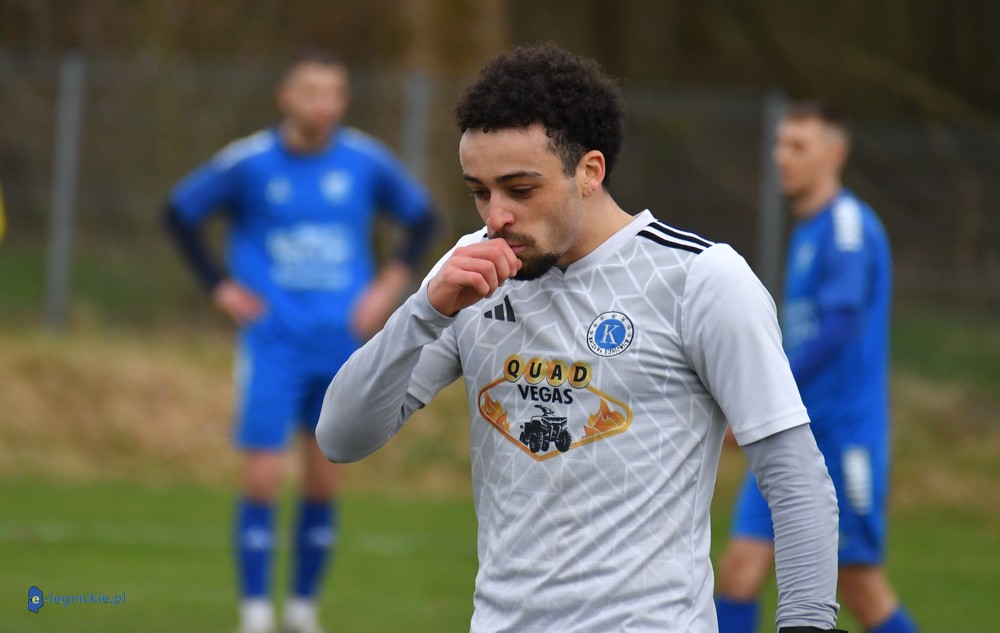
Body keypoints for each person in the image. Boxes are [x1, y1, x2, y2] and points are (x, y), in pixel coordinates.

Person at [316, 44, 844, 633]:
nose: (495, 216)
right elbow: (340, 437)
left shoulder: (699, 279)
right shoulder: (469, 275)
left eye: (520, 189)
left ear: (590, 171)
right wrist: (423, 312)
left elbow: (795, 479)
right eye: (479, 191)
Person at [162, 51, 438, 633]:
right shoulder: (249, 163)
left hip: (341, 345)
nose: (323, 104)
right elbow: (178, 214)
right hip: (273, 343)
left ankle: (303, 610)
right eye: (311, 92)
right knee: (262, 478)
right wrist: (220, 288)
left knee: (324, 479)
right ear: (285, 97)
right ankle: (255, 613)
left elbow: (423, 219)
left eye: (334, 93)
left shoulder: (365, 161)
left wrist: (385, 288)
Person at [714, 102, 918, 633]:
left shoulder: (847, 227)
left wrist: (763, 392)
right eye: (780, 144)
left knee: (859, 585)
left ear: (834, 153)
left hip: (841, 435)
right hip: (790, 431)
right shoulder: (809, 229)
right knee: (738, 571)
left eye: (798, 146)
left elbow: (837, 328)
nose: (782, 157)